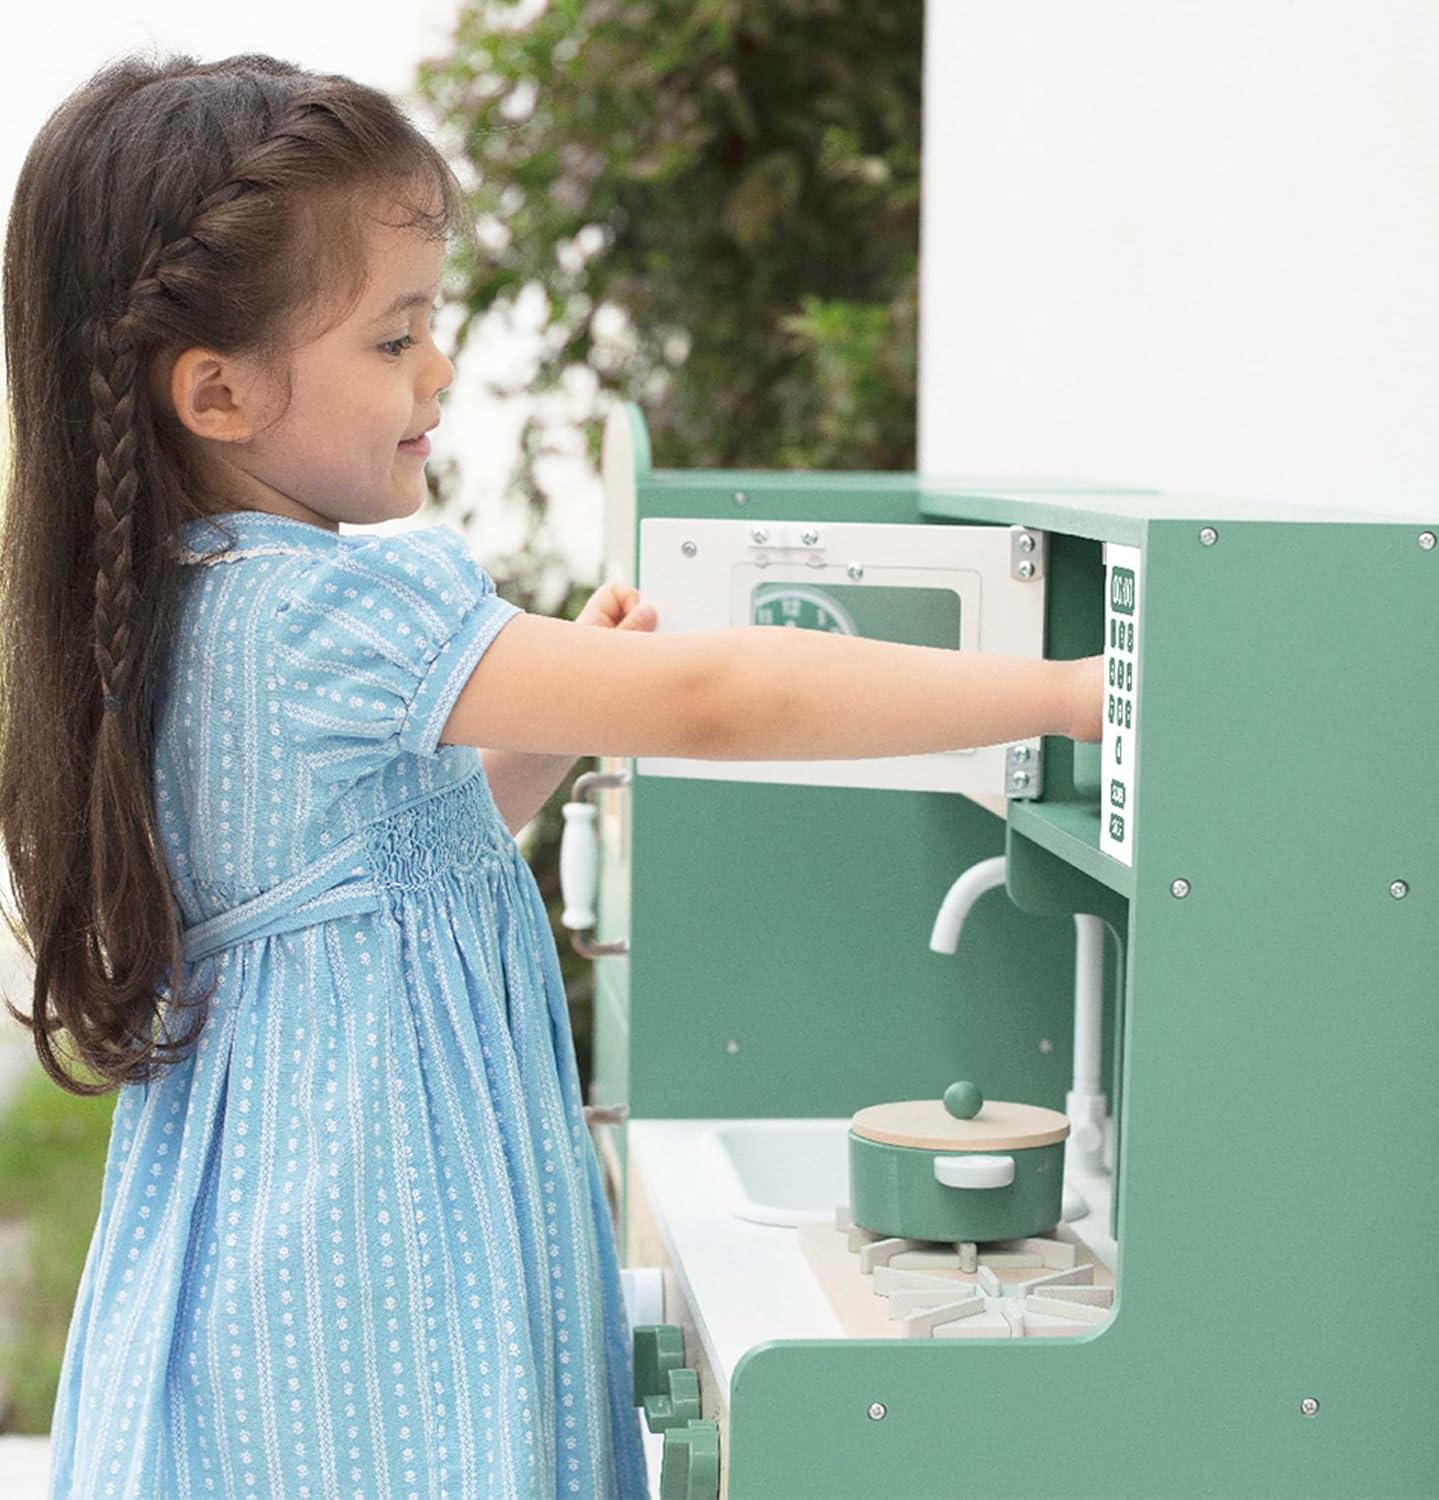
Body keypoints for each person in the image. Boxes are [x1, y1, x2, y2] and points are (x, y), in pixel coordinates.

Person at [0, 53, 1102, 1500]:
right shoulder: (328, 609)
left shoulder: (179, 605)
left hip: (276, 1249)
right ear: (216, 391)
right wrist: (1076, 693)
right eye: (395, 341)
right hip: (382, 1260)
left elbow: (387, 879)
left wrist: (554, 718)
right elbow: (719, 695)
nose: (438, 373)